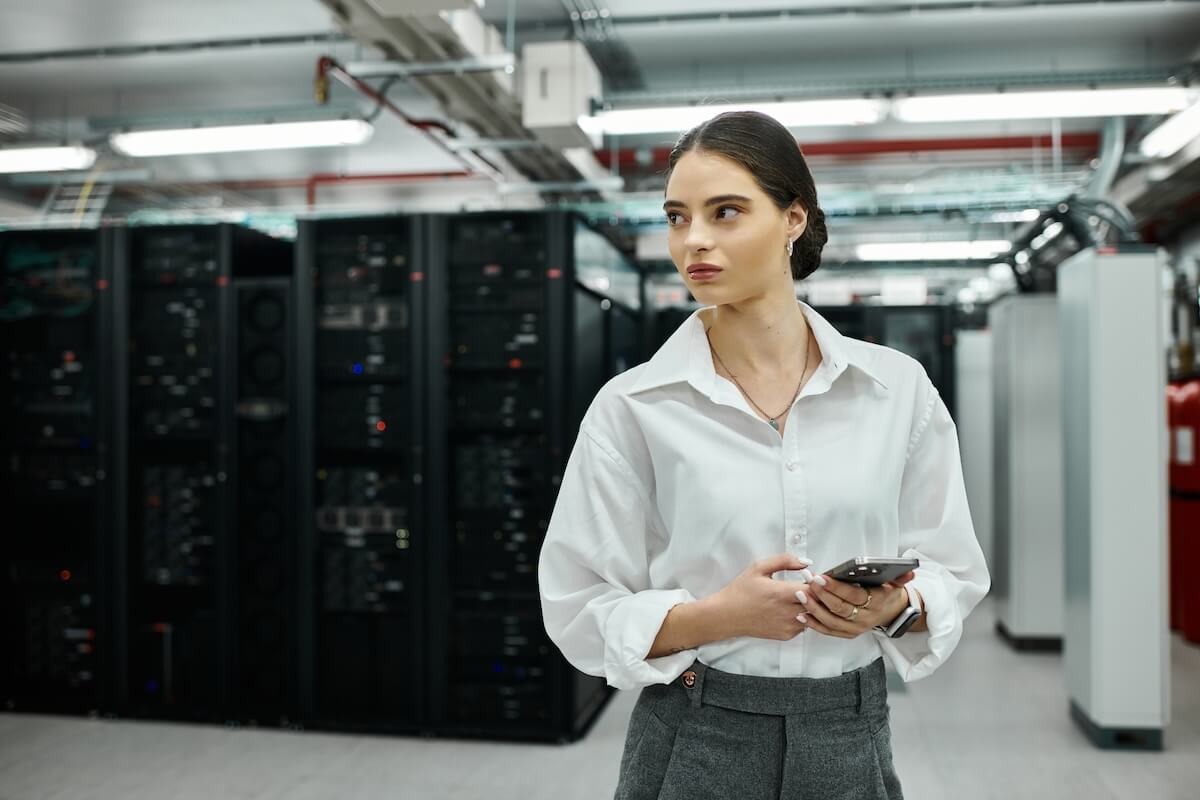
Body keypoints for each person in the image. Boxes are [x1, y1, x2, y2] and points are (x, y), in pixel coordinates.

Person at [537, 110, 990, 800]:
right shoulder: (633, 406)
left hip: (849, 731)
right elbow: (577, 604)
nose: (694, 239)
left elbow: (952, 570)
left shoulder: (895, 390)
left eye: (725, 212)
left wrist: (891, 609)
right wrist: (719, 616)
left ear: (793, 218)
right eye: (677, 217)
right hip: (694, 730)